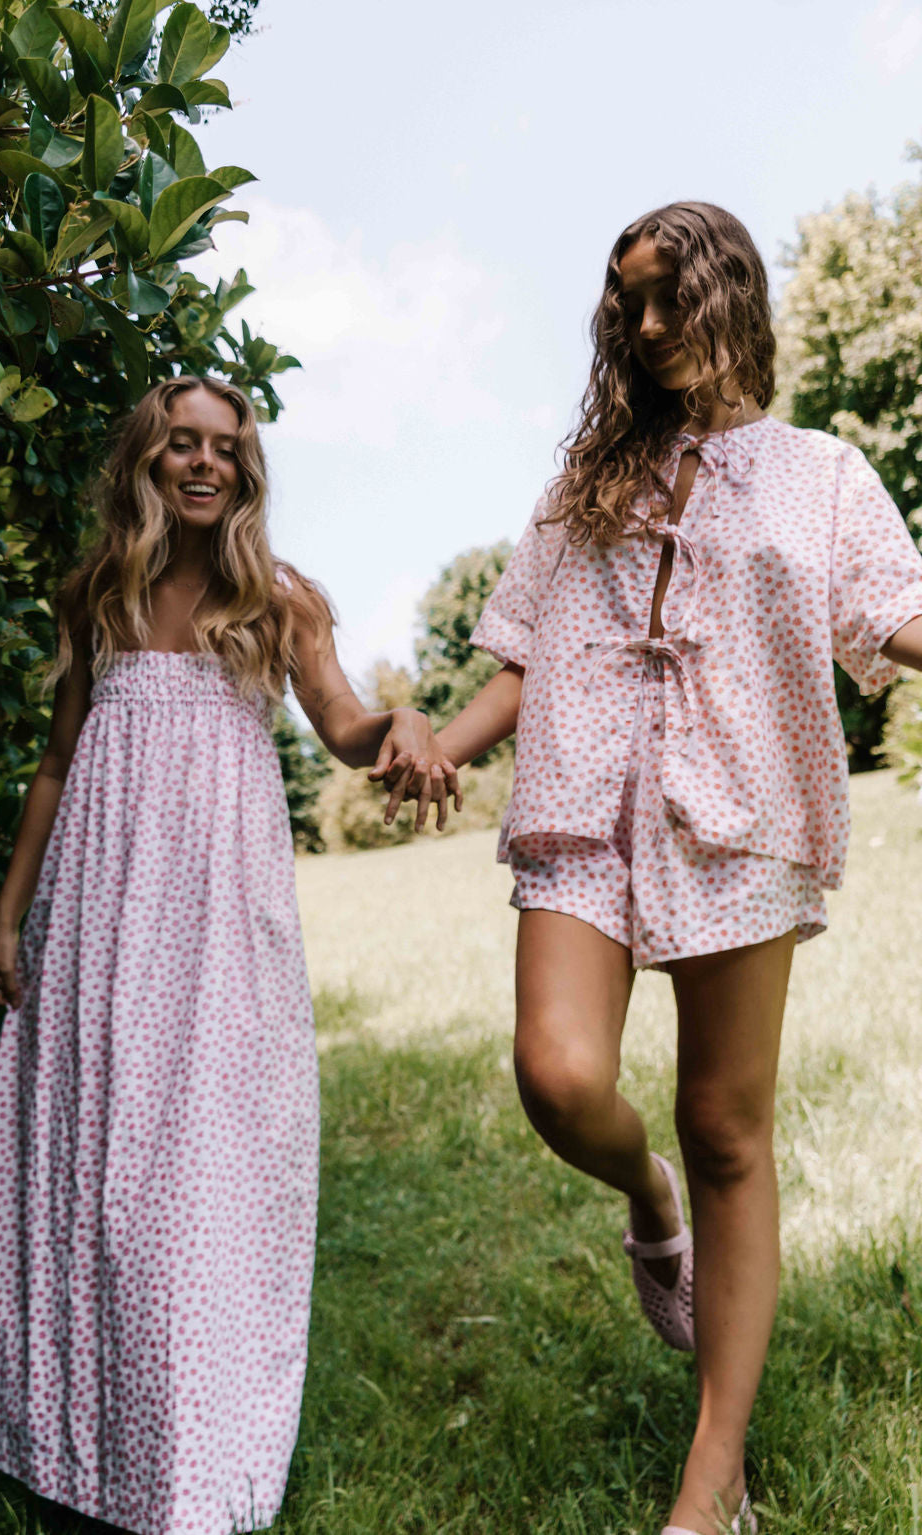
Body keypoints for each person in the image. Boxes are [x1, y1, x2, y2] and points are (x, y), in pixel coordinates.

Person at [393, 202, 922, 1535]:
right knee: (561, 1075)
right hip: (581, 808)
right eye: (623, 304)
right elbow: (519, 651)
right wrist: (438, 746)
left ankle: (715, 1477)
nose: (639, 325)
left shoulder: (822, 474)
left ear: (729, 291)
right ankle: (647, 1199)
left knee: (730, 1125)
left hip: (741, 817)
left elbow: (892, 612)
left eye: (662, 295)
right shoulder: (588, 480)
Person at [0, 375, 458, 1535]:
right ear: (148, 460)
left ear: (247, 469)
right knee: (88, 1178)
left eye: (226, 446)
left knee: (191, 1180)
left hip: (218, 929)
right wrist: (9, 917)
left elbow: (345, 724)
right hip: (94, 917)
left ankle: (189, 1457)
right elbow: (59, 763)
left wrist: (406, 725)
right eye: (183, 444)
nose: (206, 463)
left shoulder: (277, 600)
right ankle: (69, 1435)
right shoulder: (97, 596)